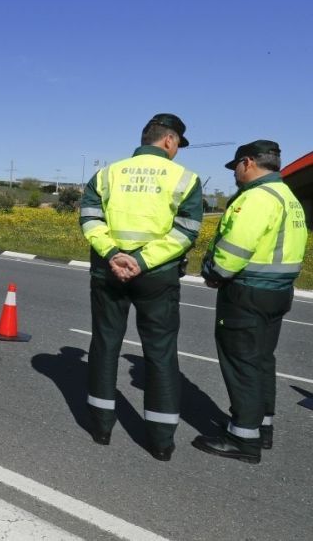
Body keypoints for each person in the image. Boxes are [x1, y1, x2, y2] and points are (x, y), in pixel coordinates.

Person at [79, 113, 203, 461]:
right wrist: (144, 261)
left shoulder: (107, 173)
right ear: (169, 140)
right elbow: (186, 230)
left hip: (109, 272)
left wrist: (114, 254)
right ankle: (161, 441)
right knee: (160, 352)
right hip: (157, 277)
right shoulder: (185, 178)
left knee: (105, 344)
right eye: (178, 144)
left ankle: (101, 427)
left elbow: (89, 217)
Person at [193, 140, 308, 464]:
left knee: (241, 362)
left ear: (248, 162)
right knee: (261, 359)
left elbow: (236, 248)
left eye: (236, 168)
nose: (235, 175)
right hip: (277, 291)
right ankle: (262, 427)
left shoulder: (255, 198)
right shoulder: (287, 196)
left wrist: (214, 272)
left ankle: (243, 437)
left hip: (247, 292)